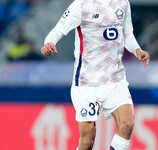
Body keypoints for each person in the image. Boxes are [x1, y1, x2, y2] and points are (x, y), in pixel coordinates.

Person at [41, 0, 149, 149]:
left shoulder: (123, 3)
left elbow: (127, 34)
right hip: (87, 83)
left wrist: (137, 50)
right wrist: (49, 42)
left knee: (127, 124)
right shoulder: (81, 5)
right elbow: (58, 30)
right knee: (88, 140)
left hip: (115, 79)